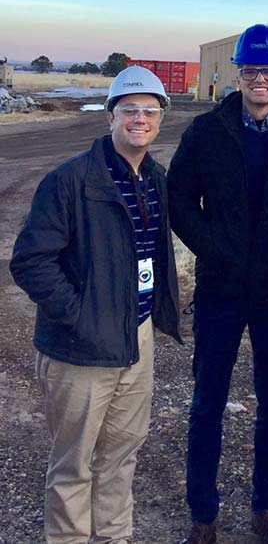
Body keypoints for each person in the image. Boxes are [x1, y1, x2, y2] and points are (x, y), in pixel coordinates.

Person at [168, 24, 268, 544]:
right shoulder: (206, 132)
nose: (260, 79)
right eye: (250, 70)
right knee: (206, 401)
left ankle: (266, 508)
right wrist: (213, 248)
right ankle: (203, 516)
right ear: (236, 74)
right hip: (219, 288)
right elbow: (178, 201)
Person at [10, 65, 181, 544]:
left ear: (160, 119)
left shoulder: (155, 178)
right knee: (73, 465)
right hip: (80, 349)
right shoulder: (69, 181)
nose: (140, 119)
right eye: (130, 110)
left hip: (137, 339)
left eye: (150, 111)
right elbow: (30, 261)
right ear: (110, 116)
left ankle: (113, 538)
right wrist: (81, 316)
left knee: (120, 458)